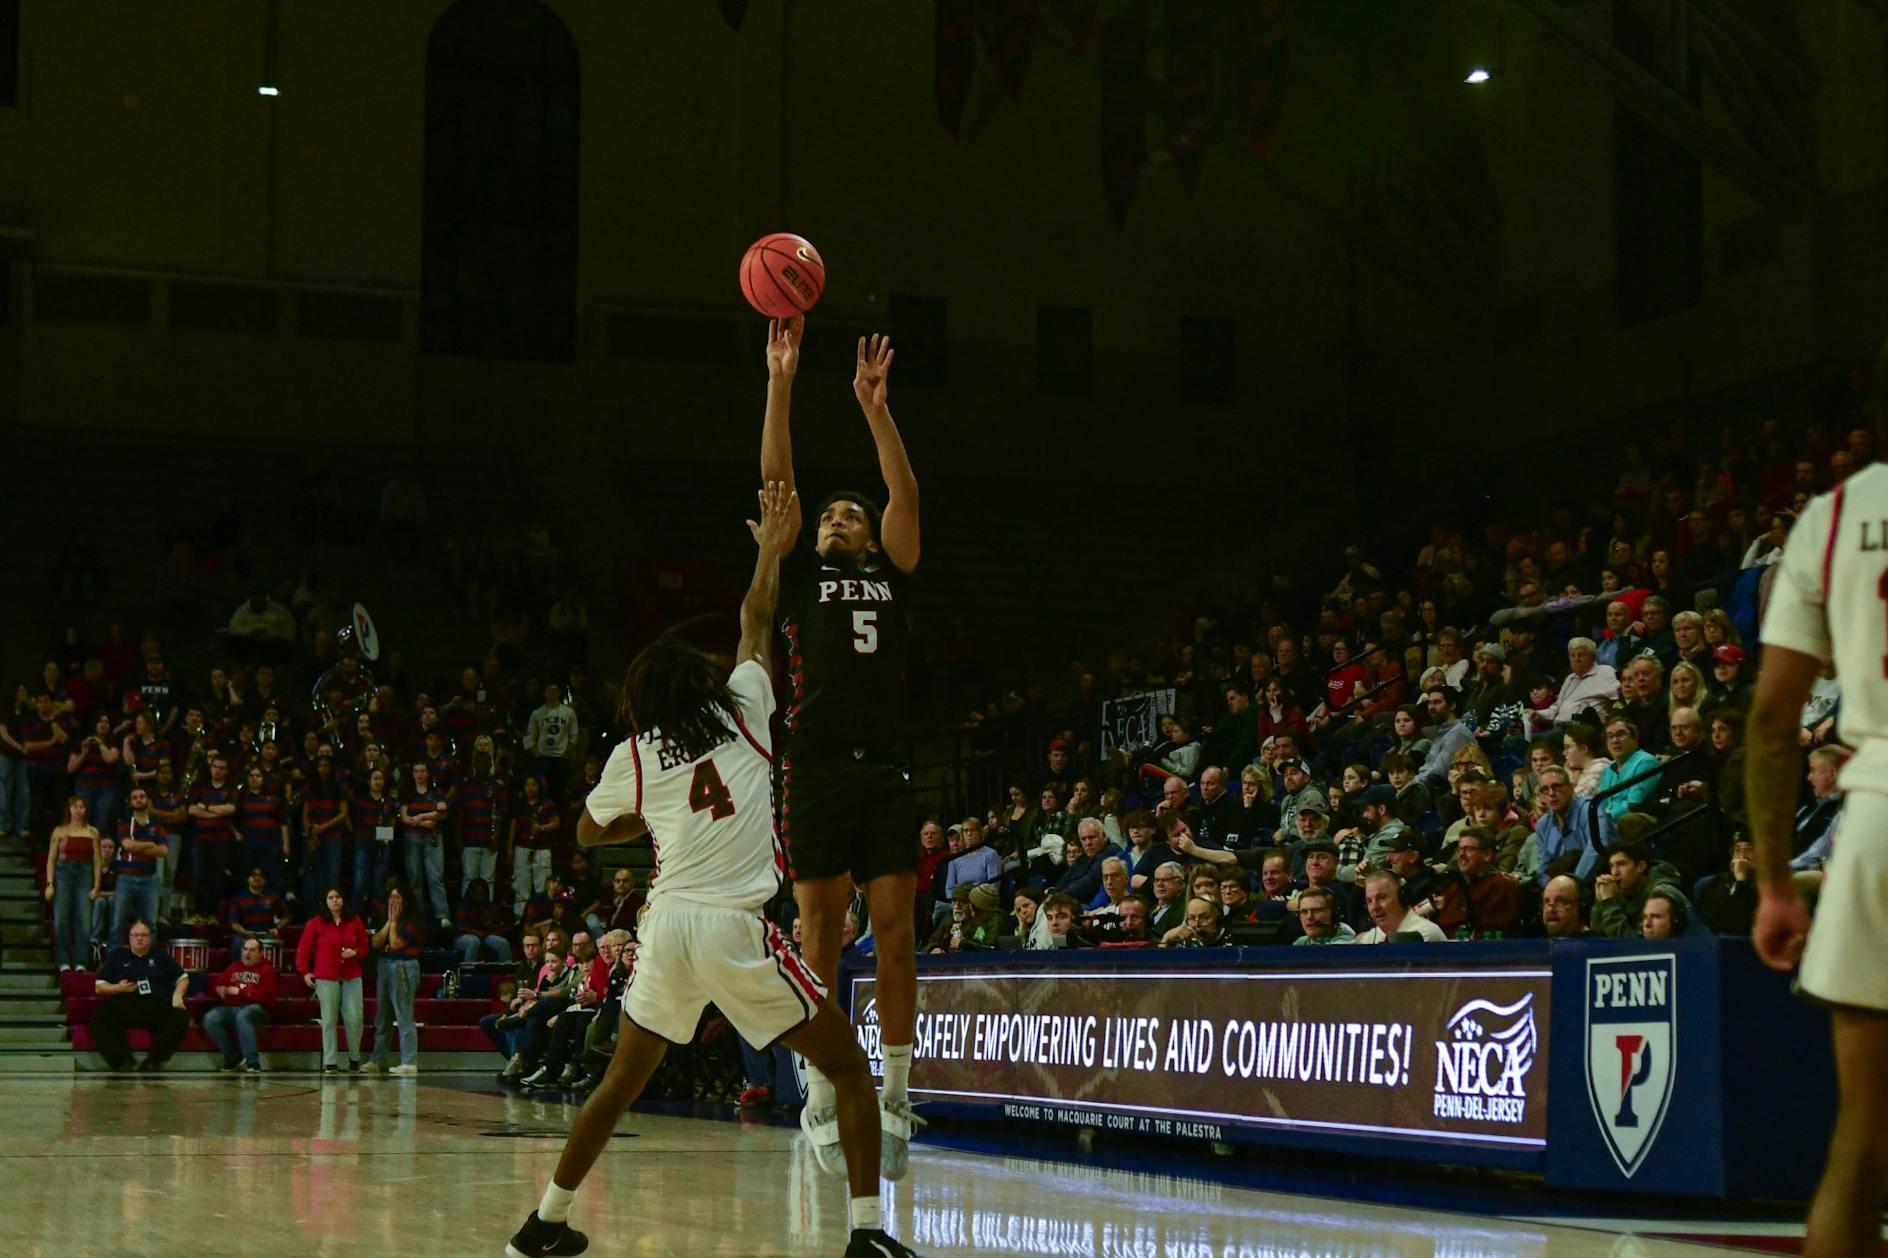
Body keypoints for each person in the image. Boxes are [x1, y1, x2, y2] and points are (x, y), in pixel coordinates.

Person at [508, 480, 921, 1258]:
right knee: (849, 1065)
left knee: (619, 1083)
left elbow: (589, 832)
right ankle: (867, 1236)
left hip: (664, 928)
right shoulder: (744, 711)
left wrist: (650, 814)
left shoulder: (636, 754)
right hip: (733, 928)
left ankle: (544, 1223)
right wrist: (768, 552)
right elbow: (756, 623)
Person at [757, 317, 930, 1196]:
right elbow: (778, 484)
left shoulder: (891, 568)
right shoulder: (794, 573)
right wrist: (782, 381)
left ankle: (896, 1096)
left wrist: (876, 411)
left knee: (895, 934)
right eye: (829, 513)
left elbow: (905, 496)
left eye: (848, 514)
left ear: (868, 538)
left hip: (883, 766)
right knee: (817, 934)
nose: (835, 518)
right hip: (815, 765)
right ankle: (822, 1084)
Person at [1746, 440, 1888, 1258]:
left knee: (1859, 1148)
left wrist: (1774, 883)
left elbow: (1771, 722)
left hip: (1877, 828)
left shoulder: (1830, 522)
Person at [91, 919, 189, 1072]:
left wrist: (178, 995)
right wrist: (119, 988)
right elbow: (99, 987)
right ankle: (123, 1062)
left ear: (150, 938)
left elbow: (183, 978)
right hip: (125, 1005)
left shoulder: (161, 956)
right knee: (100, 1016)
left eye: (143, 935)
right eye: (135, 935)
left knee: (180, 1018)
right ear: (129, 938)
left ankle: (154, 1062)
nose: (139, 938)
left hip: (157, 1006)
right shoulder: (118, 956)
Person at [297, 885, 368, 1074]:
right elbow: (303, 949)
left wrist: (356, 952)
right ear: (325, 901)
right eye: (331, 897)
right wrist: (304, 972)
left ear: (343, 900)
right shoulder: (315, 923)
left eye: (338, 896)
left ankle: (354, 1057)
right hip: (326, 977)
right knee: (329, 1020)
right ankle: (330, 1061)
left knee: (355, 1018)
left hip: (352, 976)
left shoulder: (355, 921)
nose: (335, 900)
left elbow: (365, 945)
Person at [365, 880, 424, 1076]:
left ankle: (409, 1062)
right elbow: (375, 942)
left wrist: (395, 923)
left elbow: (395, 943)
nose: (393, 901)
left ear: (406, 901)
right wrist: (390, 921)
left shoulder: (413, 920)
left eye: (397, 898)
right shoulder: (384, 917)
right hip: (384, 964)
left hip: (404, 966)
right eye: (391, 897)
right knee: (382, 1016)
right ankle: (378, 1059)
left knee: (404, 1014)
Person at [202, 935, 279, 1073]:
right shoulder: (234, 967)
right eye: (245, 949)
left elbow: (267, 996)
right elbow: (216, 985)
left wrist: (240, 992)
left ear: (260, 953)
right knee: (210, 1018)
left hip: (257, 1009)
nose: (247, 953)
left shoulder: (267, 970)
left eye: (252, 950)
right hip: (231, 1008)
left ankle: (253, 1062)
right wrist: (219, 990)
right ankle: (233, 1057)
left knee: (244, 1015)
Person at [44, 795, 102, 971]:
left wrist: (97, 885)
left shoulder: (93, 832)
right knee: (62, 920)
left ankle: (80, 962)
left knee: (83, 921)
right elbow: (51, 859)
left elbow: (97, 860)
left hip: (84, 875)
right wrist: (50, 883)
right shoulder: (60, 831)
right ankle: (63, 961)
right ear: (69, 809)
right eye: (75, 807)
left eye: (82, 807)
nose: (78, 810)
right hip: (64, 875)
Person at [110, 787, 169, 944]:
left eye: (142, 796)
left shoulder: (157, 824)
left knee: (151, 924)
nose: (138, 799)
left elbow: (164, 851)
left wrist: (139, 846)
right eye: (135, 797)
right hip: (126, 878)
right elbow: (127, 845)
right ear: (130, 802)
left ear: (148, 800)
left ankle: (149, 963)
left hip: (149, 879)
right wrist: (150, 844)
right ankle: (112, 963)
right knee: (118, 924)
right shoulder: (124, 822)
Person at [1352, 871, 1447, 943]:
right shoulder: (1372, 937)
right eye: (1369, 901)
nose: (1374, 907)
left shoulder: (1423, 934)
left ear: (1402, 897)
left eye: (1382, 898)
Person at [1290, 885, 1357, 946]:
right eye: (1304, 911)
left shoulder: (1347, 944)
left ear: (1334, 913)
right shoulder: (1302, 942)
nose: (1309, 917)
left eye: (1317, 911)